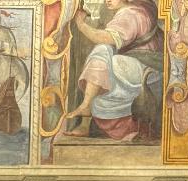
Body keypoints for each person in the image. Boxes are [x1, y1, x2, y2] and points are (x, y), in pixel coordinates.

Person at [65, 0, 159, 140]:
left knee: (102, 51)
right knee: (102, 64)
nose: (107, 0)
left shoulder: (130, 14)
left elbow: (105, 38)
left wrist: (81, 25)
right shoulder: (142, 9)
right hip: (144, 67)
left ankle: (86, 110)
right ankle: (86, 113)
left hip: (143, 68)